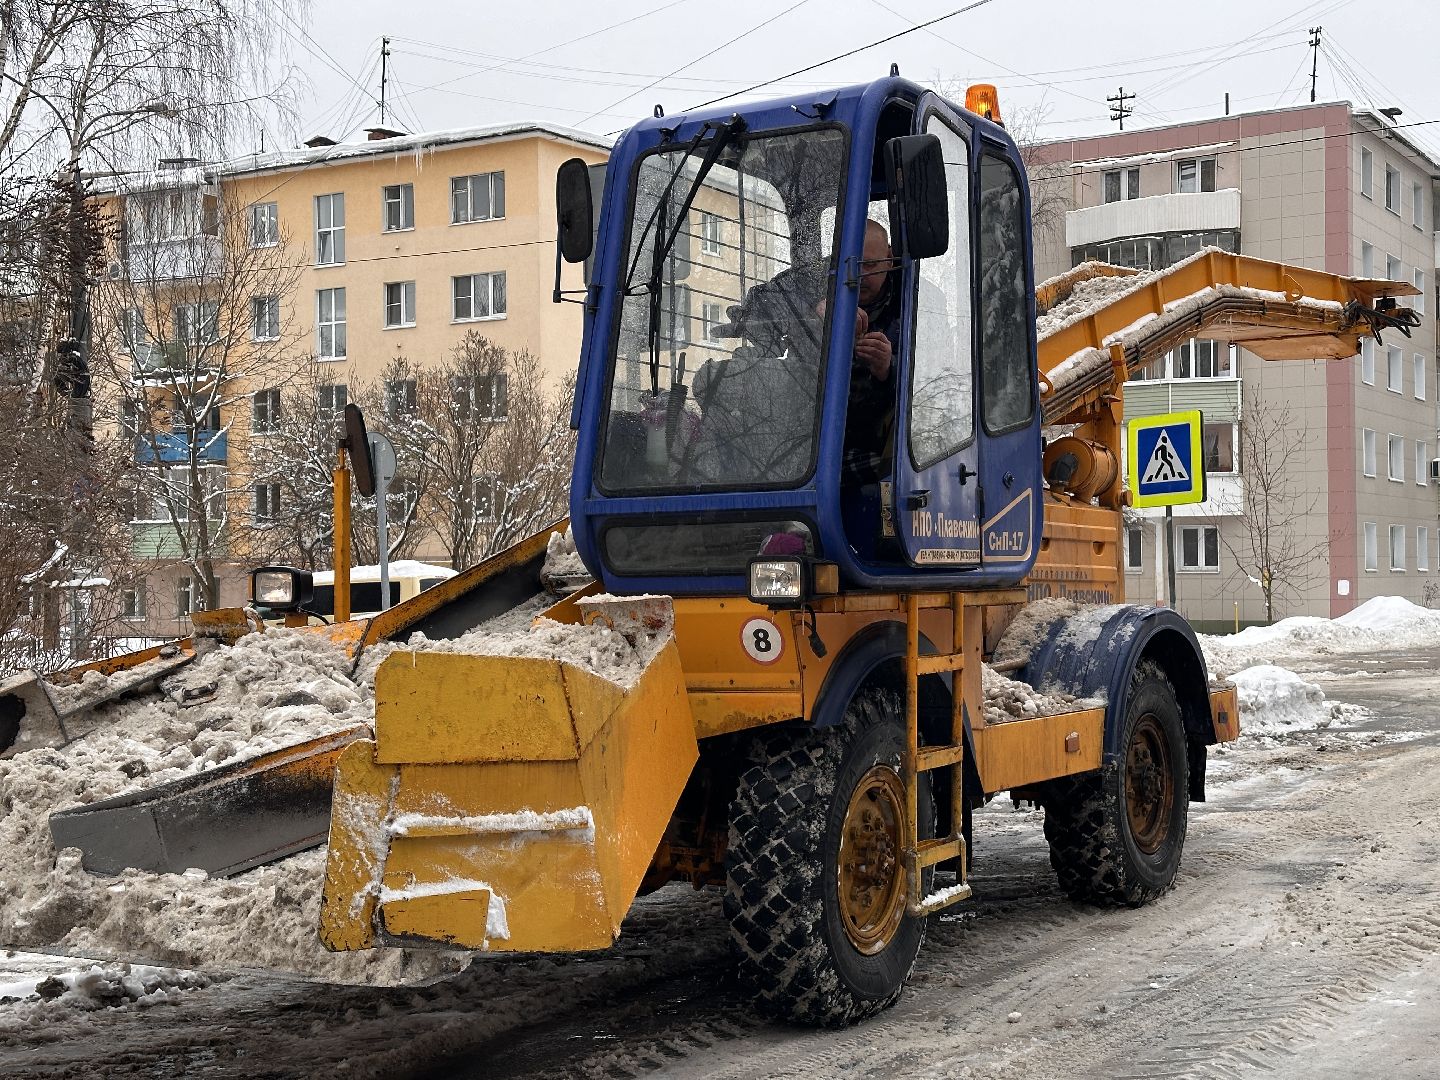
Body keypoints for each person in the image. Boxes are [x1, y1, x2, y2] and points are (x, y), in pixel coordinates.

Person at [842, 219, 900, 484]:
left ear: (890, 259)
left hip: (880, 445)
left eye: (870, 265)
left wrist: (887, 368)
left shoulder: (914, 301)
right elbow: (772, 300)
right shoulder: (822, 282)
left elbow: (933, 381)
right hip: (814, 441)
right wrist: (818, 309)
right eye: (854, 266)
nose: (860, 276)